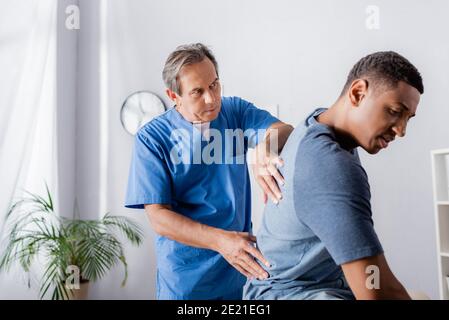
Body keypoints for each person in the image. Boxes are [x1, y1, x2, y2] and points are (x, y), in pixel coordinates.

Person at [243, 51, 424, 300]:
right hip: (290, 294)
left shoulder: (319, 121)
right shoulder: (328, 166)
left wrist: (268, 144)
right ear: (358, 93)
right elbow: (374, 288)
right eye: (395, 111)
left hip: (315, 285)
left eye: (407, 118)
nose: (401, 130)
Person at [125, 43, 293, 299]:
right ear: (174, 96)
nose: (211, 98)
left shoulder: (234, 111)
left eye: (214, 85)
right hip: (186, 279)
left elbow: (283, 129)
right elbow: (159, 218)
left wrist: (265, 148)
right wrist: (222, 242)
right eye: (197, 91)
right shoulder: (152, 138)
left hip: (238, 270)